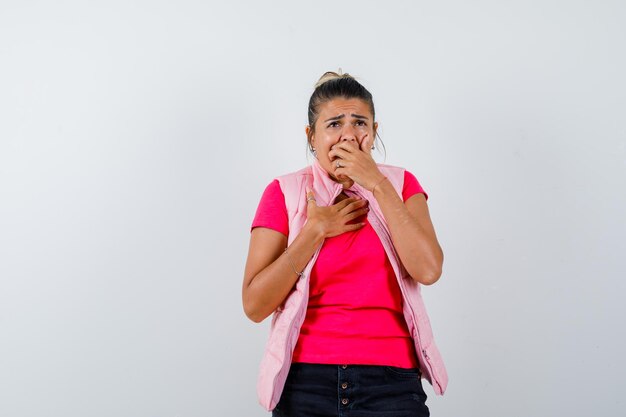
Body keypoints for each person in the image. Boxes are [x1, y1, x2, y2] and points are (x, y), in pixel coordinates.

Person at [242, 71, 448, 417]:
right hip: (305, 384)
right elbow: (255, 305)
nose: (348, 136)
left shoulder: (400, 184)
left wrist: (376, 184)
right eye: (334, 124)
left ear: (375, 132)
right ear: (312, 136)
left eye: (359, 123)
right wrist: (313, 233)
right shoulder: (285, 192)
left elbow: (428, 269)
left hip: (392, 385)